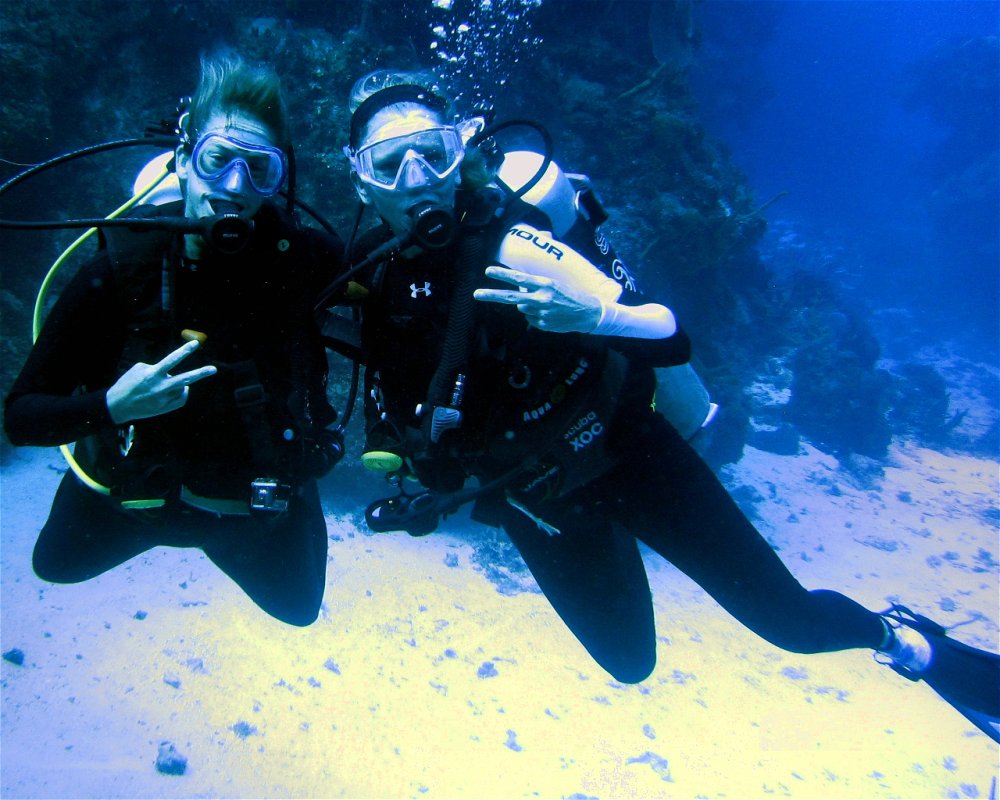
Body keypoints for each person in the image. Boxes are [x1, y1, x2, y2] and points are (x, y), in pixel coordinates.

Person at [326, 69, 999, 737]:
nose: (416, 179)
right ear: (361, 181)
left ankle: (904, 640)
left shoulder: (514, 243)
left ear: (459, 156)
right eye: (389, 163)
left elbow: (669, 335)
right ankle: (613, 538)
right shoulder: (371, 273)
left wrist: (594, 314)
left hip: (629, 455)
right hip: (534, 497)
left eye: (433, 153)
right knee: (628, 661)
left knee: (790, 623)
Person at [4, 53, 344, 626]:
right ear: (184, 161)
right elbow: (19, 418)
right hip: (137, 500)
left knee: (299, 608)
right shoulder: (121, 270)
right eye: (218, 160)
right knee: (55, 564)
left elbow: (403, 289)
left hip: (247, 509)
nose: (234, 186)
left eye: (259, 169)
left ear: (278, 181)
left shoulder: (306, 262)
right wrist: (111, 406)